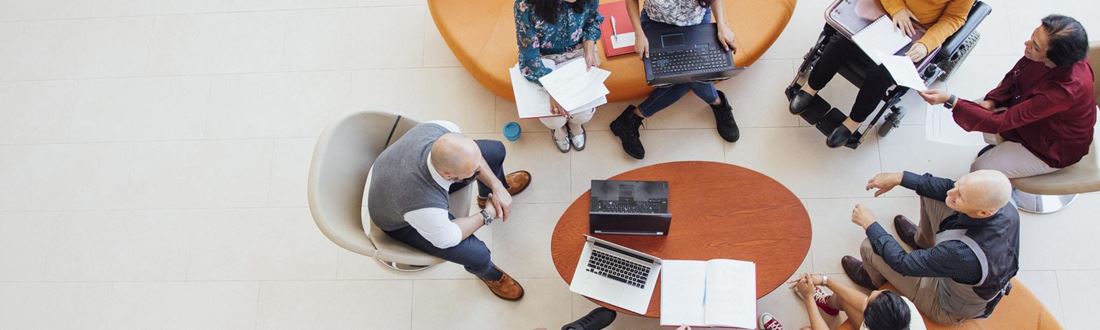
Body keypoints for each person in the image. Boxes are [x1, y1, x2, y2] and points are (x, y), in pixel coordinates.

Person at [366, 120, 532, 300]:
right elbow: (447, 238)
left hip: (398, 175)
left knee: (494, 151)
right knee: (477, 254)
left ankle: (486, 198)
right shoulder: (422, 203)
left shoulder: (441, 129)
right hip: (398, 220)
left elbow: (477, 158)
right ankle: (489, 275)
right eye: (475, 172)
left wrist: (497, 186)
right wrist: (488, 214)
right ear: (449, 176)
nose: (480, 169)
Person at [918, 15, 1096, 178]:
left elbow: (1001, 121)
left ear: (1055, 59)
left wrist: (951, 101)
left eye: (1035, 47)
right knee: (978, 111)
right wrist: (993, 100)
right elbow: (1017, 75)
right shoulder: (1053, 56)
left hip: (1051, 144)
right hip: (1034, 116)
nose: (1026, 44)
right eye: (1032, 37)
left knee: (980, 168)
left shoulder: (1064, 90)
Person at [840, 170, 1018, 325]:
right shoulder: (1005, 206)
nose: (951, 192)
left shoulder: (962, 254)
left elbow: (903, 263)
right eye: (959, 184)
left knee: (869, 246)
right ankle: (921, 242)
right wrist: (900, 178)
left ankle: (877, 282)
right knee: (929, 192)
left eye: (961, 196)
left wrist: (869, 223)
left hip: (945, 302)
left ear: (984, 212)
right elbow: (944, 187)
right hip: (956, 266)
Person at [790, 0, 974, 148]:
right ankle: (810, 87)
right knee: (841, 41)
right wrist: (897, 8)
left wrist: (927, 44)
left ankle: (853, 122)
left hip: (917, 31)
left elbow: (953, 18)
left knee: (883, 74)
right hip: (882, 9)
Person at [609, 0, 740, 160]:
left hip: (696, 21)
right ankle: (717, 102)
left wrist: (722, 24)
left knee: (689, 75)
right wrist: (639, 33)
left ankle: (634, 116)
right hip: (656, 22)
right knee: (689, 75)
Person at [514, 0, 604, 153]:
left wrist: (589, 49)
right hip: (543, 59)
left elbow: (593, 21)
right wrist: (552, 87)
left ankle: (575, 124)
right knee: (554, 119)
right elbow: (529, 54)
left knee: (583, 113)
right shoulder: (525, 5)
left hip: (578, 51)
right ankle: (558, 130)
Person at [757, 273, 925, 330]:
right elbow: (863, 301)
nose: (873, 292)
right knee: (844, 298)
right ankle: (829, 304)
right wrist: (825, 280)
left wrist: (808, 297)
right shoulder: (904, 308)